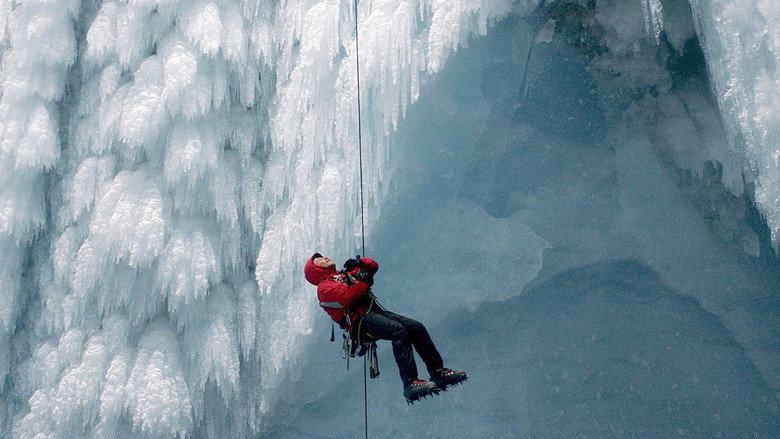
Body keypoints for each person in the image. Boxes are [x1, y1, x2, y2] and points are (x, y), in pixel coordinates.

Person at [304, 252, 467, 402]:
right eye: (320, 261)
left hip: (371, 313)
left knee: (416, 327)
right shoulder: (324, 288)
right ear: (317, 270)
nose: (325, 258)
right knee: (398, 331)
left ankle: (438, 372)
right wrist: (360, 279)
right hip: (360, 323)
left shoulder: (343, 275)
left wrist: (362, 263)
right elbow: (348, 296)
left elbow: (372, 268)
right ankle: (410, 383)